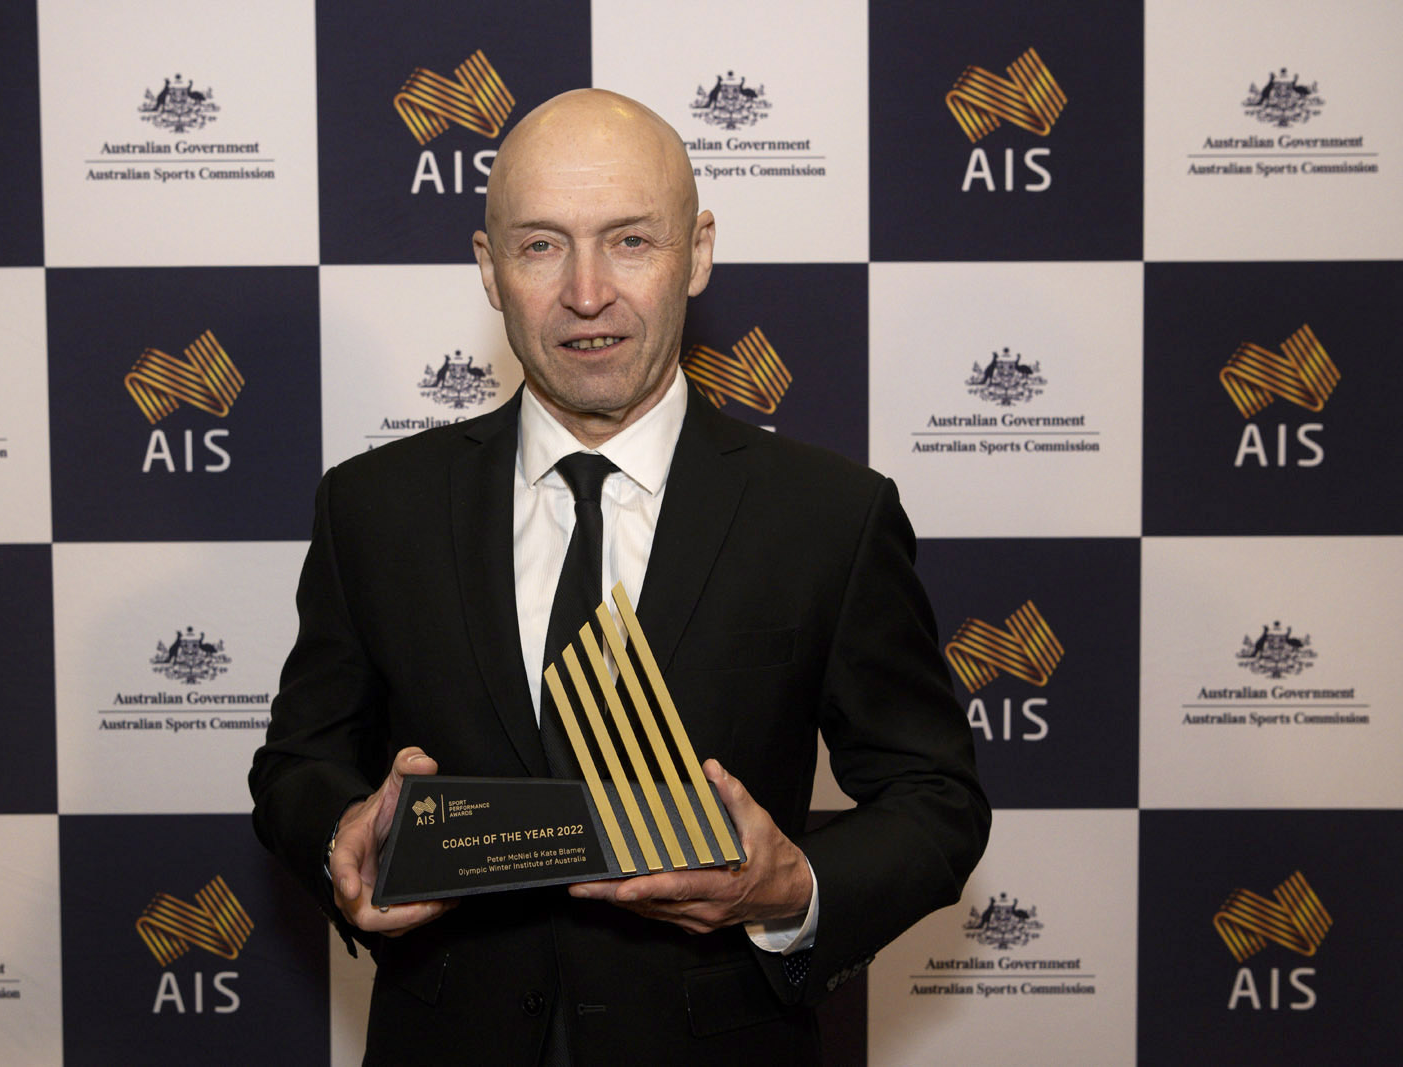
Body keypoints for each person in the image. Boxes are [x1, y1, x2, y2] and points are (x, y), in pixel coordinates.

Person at [250, 88, 987, 1065]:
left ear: (698, 253)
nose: (586, 293)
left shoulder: (828, 517)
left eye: (631, 241)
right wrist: (342, 830)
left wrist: (793, 886)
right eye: (541, 245)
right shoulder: (375, 507)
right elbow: (297, 761)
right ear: (489, 268)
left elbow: (934, 796)